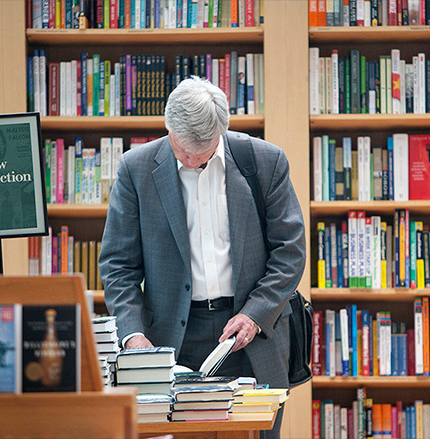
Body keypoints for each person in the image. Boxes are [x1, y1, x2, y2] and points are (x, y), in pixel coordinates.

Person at [99, 76, 306, 439]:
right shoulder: (136, 169)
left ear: (222, 133)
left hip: (251, 333)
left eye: (204, 151)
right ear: (167, 128)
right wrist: (132, 334)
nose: (193, 160)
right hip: (171, 341)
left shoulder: (265, 161)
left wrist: (254, 314)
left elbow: (289, 252)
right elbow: (118, 266)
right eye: (183, 150)